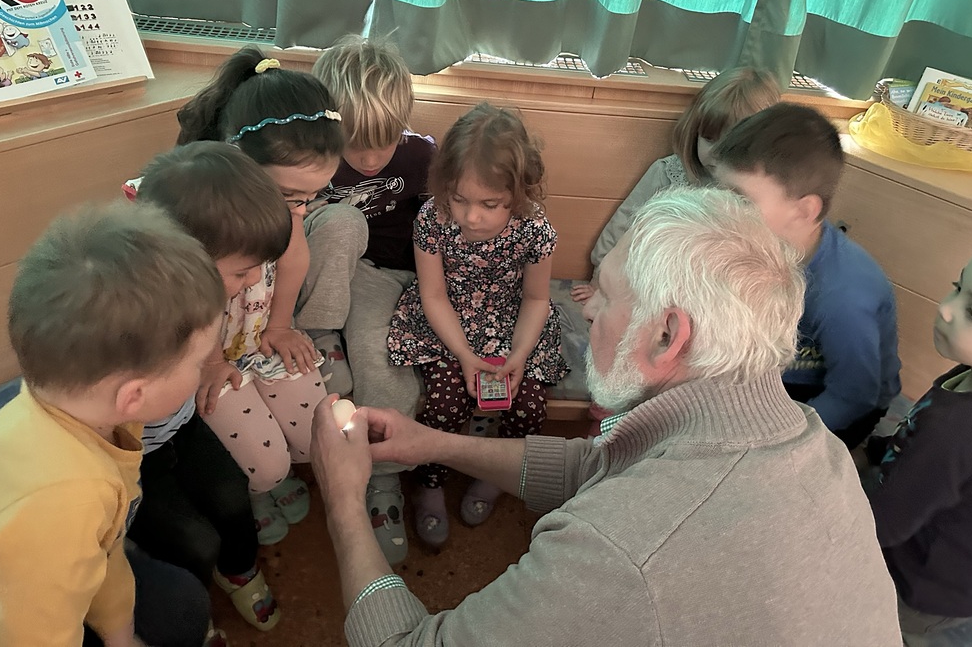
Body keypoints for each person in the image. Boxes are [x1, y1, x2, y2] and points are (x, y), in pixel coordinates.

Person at [312, 186, 901, 645]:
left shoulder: (620, 552)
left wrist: (342, 500)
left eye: (607, 294)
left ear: (667, 335)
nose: (587, 310)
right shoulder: (812, 441)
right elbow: (601, 465)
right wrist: (432, 443)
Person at [0, 202, 225, 647]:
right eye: (198, 362)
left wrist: (120, 635)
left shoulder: (65, 408)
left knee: (179, 602)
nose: (203, 369)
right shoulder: (68, 501)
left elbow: (106, 546)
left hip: (45, 577)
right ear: (134, 396)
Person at [176, 48, 359, 539]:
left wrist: (279, 325)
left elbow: (294, 258)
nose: (298, 210)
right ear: (235, 162)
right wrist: (211, 360)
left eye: (310, 197)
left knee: (313, 440)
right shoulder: (198, 212)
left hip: (257, 333)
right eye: (289, 197)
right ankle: (256, 490)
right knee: (267, 467)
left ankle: (267, 478)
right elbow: (192, 301)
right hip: (206, 349)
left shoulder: (288, 203)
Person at [132, 141, 311, 629]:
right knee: (190, 540)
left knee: (232, 494)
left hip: (179, 426)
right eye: (241, 271)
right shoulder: (135, 317)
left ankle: (239, 570)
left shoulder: (201, 296)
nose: (252, 281)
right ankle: (188, 609)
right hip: (129, 453)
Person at [386, 103, 569, 546]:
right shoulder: (433, 219)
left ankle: (497, 477)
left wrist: (520, 355)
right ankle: (430, 481)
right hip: (448, 318)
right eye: (460, 199)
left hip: (512, 320)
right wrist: (464, 355)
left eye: (490, 204)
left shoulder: (535, 228)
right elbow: (433, 295)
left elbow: (536, 298)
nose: (471, 217)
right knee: (444, 404)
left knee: (529, 408)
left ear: (518, 194)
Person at [311, 34, 436, 564]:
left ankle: (386, 476)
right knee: (341, 224)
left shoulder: (421, 154)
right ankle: (319, 333)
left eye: (382, 144)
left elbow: (440, 224)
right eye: (354, 144)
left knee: (382, 355)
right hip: (342, 268)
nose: (367, 158)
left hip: (399, 272)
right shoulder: (312, 155)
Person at [713, 102, 901, 448]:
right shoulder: (756, 241)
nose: (719, 210)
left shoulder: (843, 296)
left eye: (740, 200)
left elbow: (855, 395)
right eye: (718, 191)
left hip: (829, 400)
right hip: (774, 373)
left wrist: (779, 442)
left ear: (804, 210)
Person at [571, 66, 780, 303]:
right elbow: (624, 223)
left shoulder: (764, 196)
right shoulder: (670, 173)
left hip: (717, 293)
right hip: (657, 280)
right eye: (709, 139)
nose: (715, 154)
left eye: (731, 147)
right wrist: (600, 279)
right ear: (695, 131)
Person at [864, 252, 972, 646]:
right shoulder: (967, 374)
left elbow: (884, 524)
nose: (946, 309)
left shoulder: (955, 431)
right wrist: (877, 449)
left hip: (920, 585)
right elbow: (916, 429)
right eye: (957, 288)